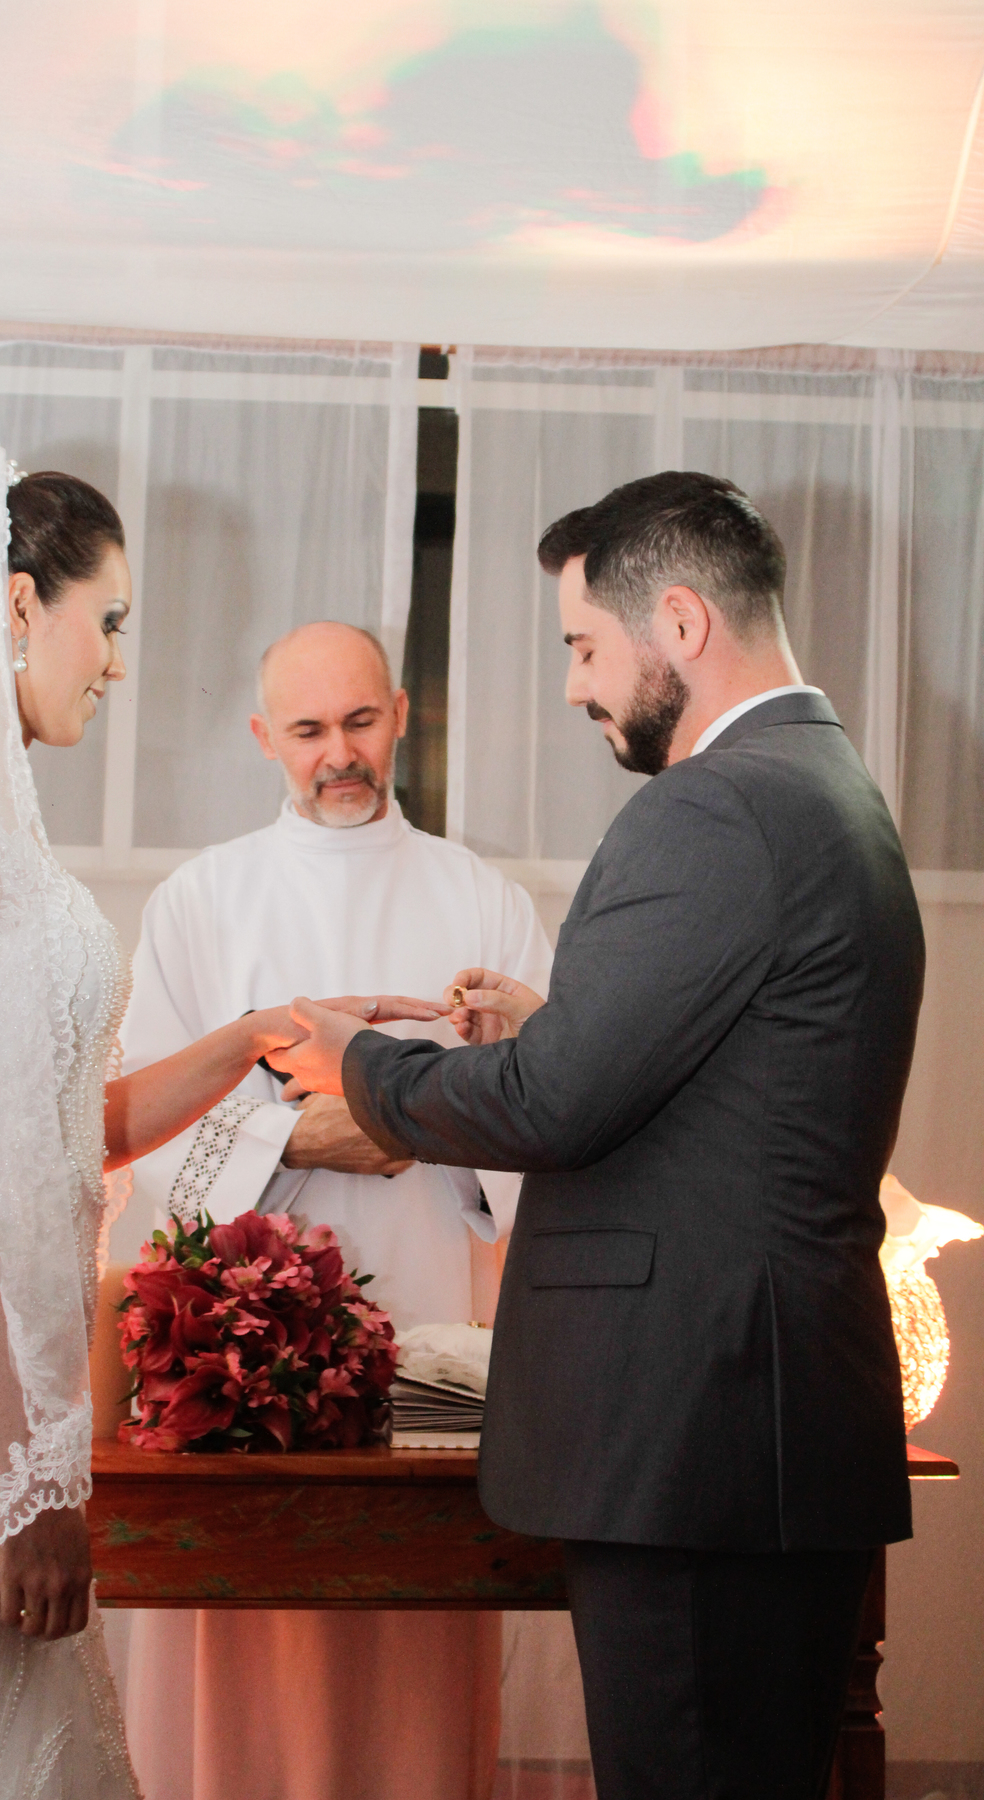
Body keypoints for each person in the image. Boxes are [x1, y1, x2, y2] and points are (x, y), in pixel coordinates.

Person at [0, 427, 422, 1799]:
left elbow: (62, 1125)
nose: (118, 665)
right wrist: (22, 1484)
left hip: (8, 1395)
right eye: (110, 623)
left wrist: (256, 1035)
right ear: (21, 603)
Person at [269, 472, 927, 1800]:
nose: (575, 686)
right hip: (761, 1420)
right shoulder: (826, 784)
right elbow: (718, 1080)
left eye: (583, 646)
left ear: (678, 622)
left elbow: (550, 1107)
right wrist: (553, 1027)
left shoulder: (714, 805)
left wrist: (356, 1059)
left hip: (697, 1429)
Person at [119, 619, 554, 1800]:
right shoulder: (201, 900)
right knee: (248, 1654)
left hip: (422, 1321)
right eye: (308, 730)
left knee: (405, 1656)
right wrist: (297, 1137)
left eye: (361, 722)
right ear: (264, 736)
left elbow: (552, 1107)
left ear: (401, 716)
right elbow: (140, 1129)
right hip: (236, 1345)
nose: (339, 755)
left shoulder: (482, 899)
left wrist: (427, 1125)